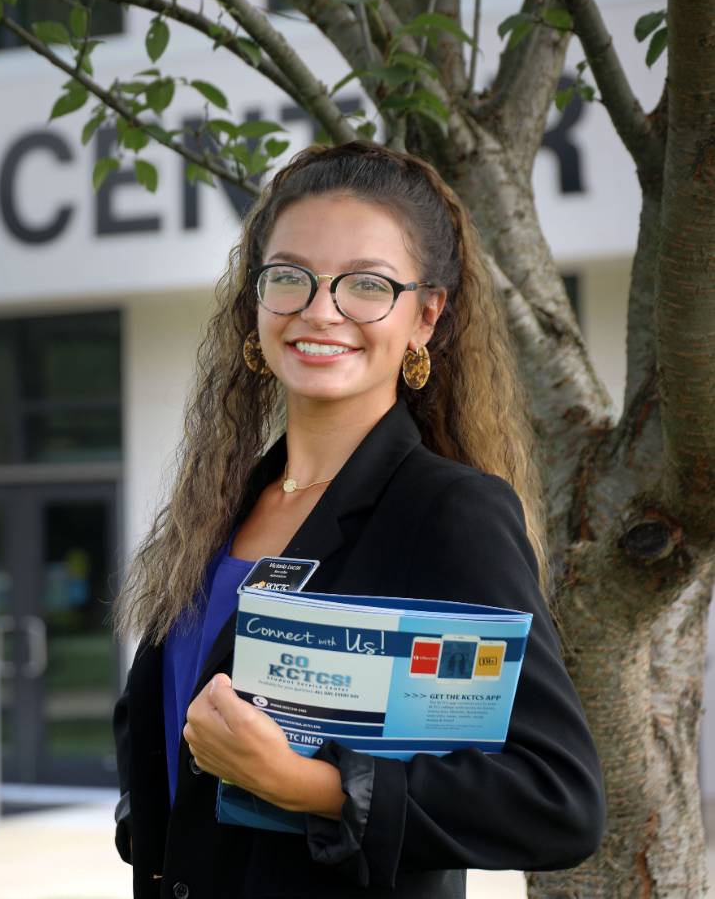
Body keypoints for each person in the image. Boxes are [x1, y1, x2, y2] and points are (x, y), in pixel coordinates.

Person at [110, 141, 605, 898]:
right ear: (256, 300)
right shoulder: (223, 504)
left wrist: (314, 785)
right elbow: (164, 721)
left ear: (425, 316)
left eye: (366, 285)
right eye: (290, 278)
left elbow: (557, 799)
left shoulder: (447, 513)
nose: (320, 310)